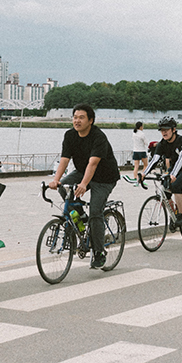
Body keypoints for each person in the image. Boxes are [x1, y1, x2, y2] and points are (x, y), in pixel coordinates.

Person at [49, 104, 120, 270]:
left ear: (91, 120)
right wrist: (56, 180)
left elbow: (93, 163)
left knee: (96, 212)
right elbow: (65, 159)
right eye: (75, 117)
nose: (77, 120)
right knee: (63, 187)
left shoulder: (98, 137)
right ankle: (81, 217)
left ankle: (99, 252)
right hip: (82, 172)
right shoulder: (70, 135)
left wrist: (83, 184)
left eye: (81, 117)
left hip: (104, 177)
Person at [138, 117, 182, 229]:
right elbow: (154, 160)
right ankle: (174, 214)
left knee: (176, 186)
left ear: (174, 129)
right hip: (175, 168)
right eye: (162, 130)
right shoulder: (162, 144)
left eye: (166, 129)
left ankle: (181, 216)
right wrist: (143, 174)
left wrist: (173, 175)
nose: (164, 132)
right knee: (165, 191)